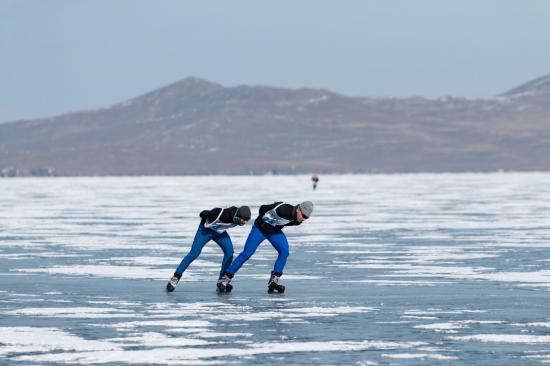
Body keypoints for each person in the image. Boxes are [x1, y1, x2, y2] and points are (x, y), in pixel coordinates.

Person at [217, 201, 313, 293]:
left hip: (274, 231)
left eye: (306, 217)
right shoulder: (283, 209)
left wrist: (272, 227)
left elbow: (279, 223)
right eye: (303, 215)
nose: (304, 219)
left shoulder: (297, 221)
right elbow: (262, 208)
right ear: (298, 209)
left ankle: (274, 281)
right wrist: (263, 223)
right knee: (247, 253)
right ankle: (225, 278)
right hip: (259, 229)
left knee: (284, 252)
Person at [166, 205, 251, 292]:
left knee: (229, 252)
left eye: (247, 220)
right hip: (205, 231)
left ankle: (222, 280)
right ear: (238, 215)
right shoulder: (221, 215)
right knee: (194, 253)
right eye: (243, 219)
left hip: (219, 233)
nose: (244, 222)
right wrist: (207, 217)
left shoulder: (237, 218)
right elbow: (203, 213)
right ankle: (175, 277)